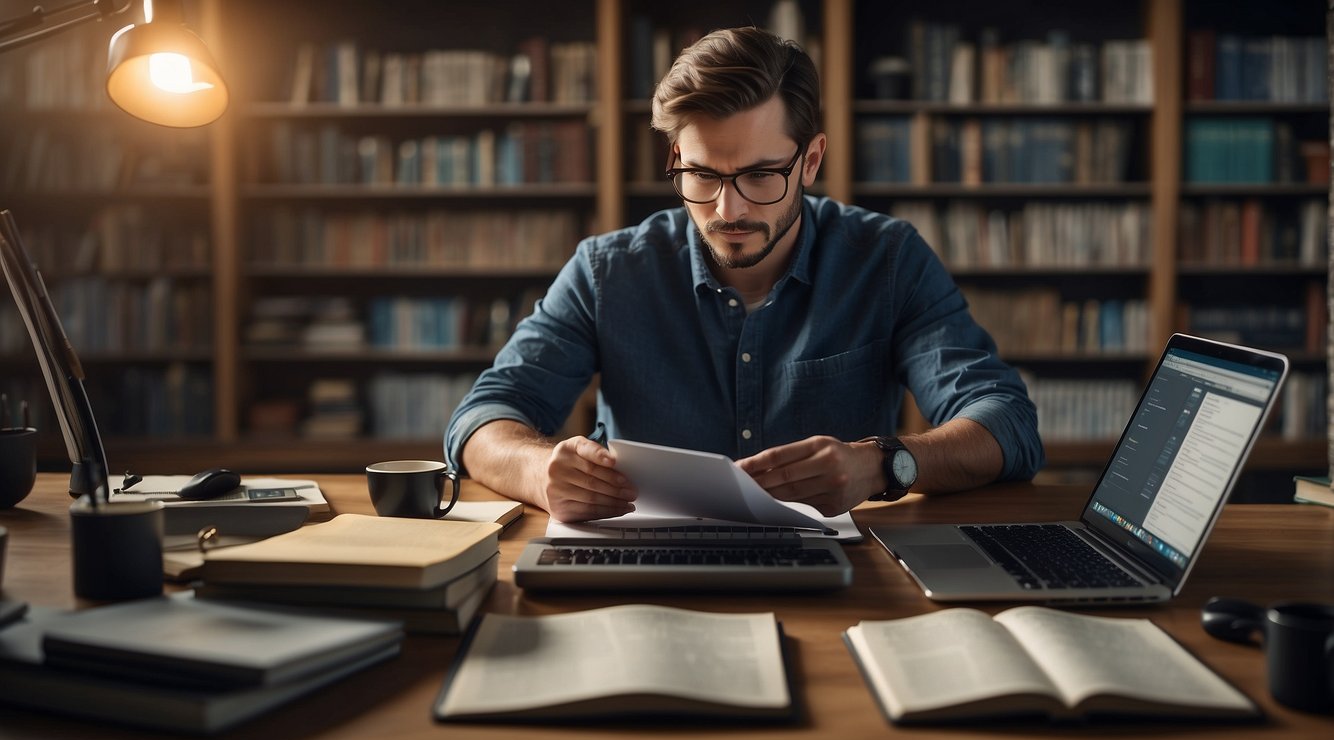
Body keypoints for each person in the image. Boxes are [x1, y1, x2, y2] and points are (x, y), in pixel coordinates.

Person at [445, 26, 1043, 523]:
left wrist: (883, 463)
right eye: (703, 176)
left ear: (810, 160)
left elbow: (1006, 422)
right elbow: (482, 419)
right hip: (644, 568)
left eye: (761, 176)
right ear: (676, 160)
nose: (728, 212)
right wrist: (538, 470)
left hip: (841, 578)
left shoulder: (887, 260)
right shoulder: (607, 271)